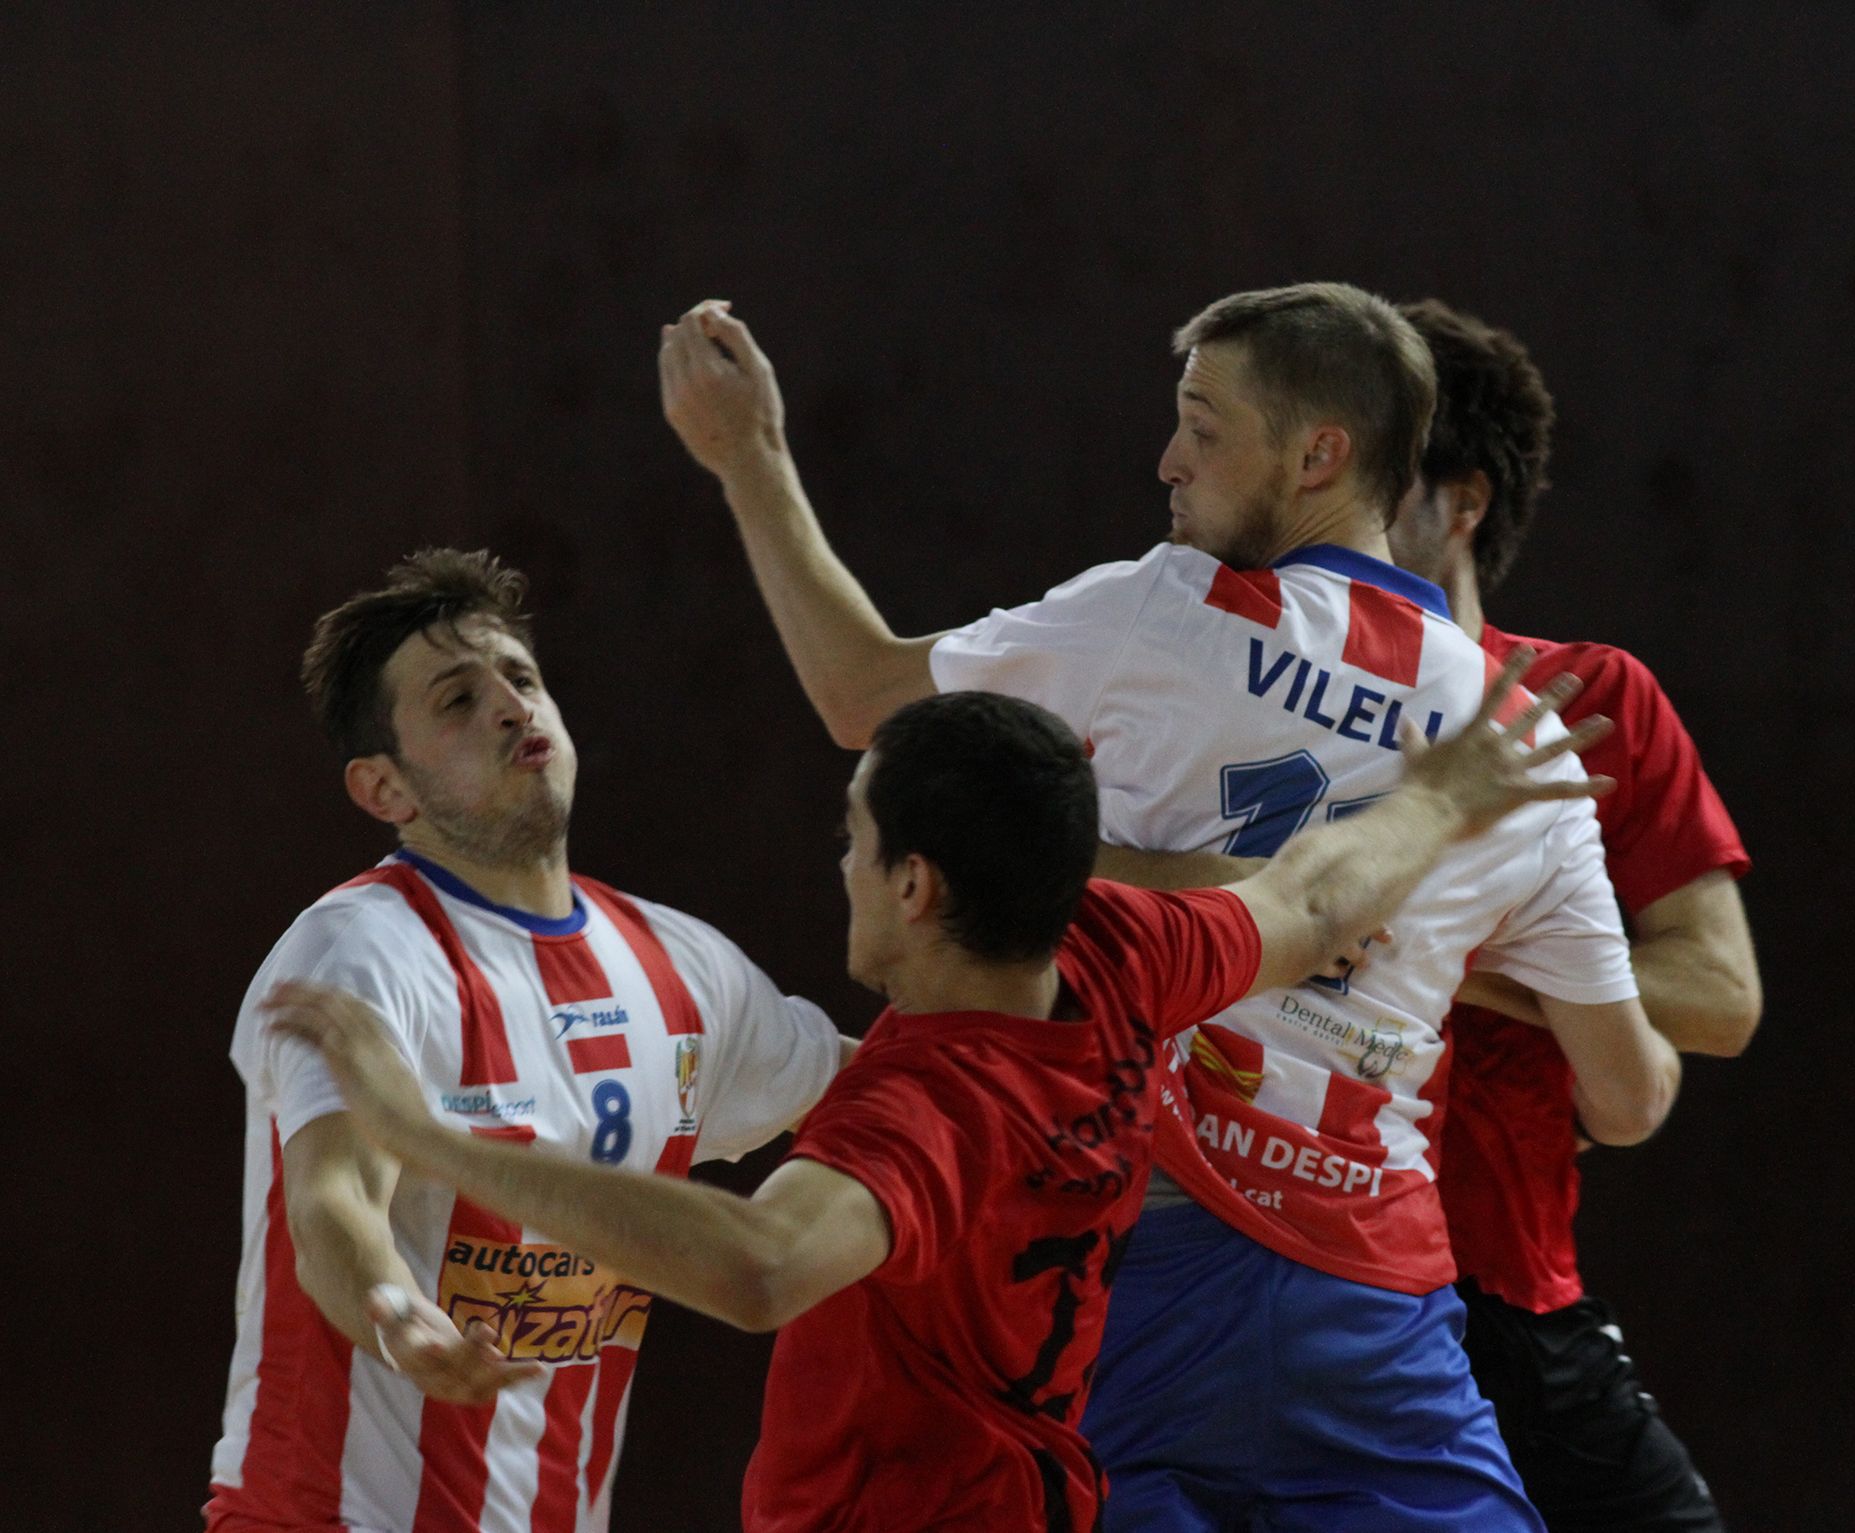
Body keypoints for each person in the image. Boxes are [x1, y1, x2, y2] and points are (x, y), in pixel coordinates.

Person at [656, 282, 1682, 1529]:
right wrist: (1434, 949)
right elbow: (1626, 1099)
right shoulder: (1514, 733)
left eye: (1202, 425)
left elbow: (858, 693)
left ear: (1318, 455)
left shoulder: (1169, 607)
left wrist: (748, 457)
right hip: (1373, 1303)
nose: (1168, 460)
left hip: (1131, 1261)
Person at [270, 667, 1613, 1532]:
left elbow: (761, 1262)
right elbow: (1314, 897)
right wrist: (1442, 794)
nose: (841, 861)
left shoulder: (928, 1104)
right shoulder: (1119, 952)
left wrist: (424, 1134)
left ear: (915, 884)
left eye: (857, 838)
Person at [204, 550, 847, 1533]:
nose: (511, 706)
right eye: (458, 700)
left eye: (523, 677)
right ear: (385, 790)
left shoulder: (681, 966)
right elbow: (332, 1200)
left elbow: (884, 1086)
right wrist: (394, 1308)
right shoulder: (359, 949)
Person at [1389, 298, 1761, 1531]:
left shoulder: (1589, 698)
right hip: (1313, 1285)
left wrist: (1476, 960)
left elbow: (1715, 999)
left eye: (1360, 471)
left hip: (1510, 1295)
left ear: (1461, 501)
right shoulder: (1254, 702)